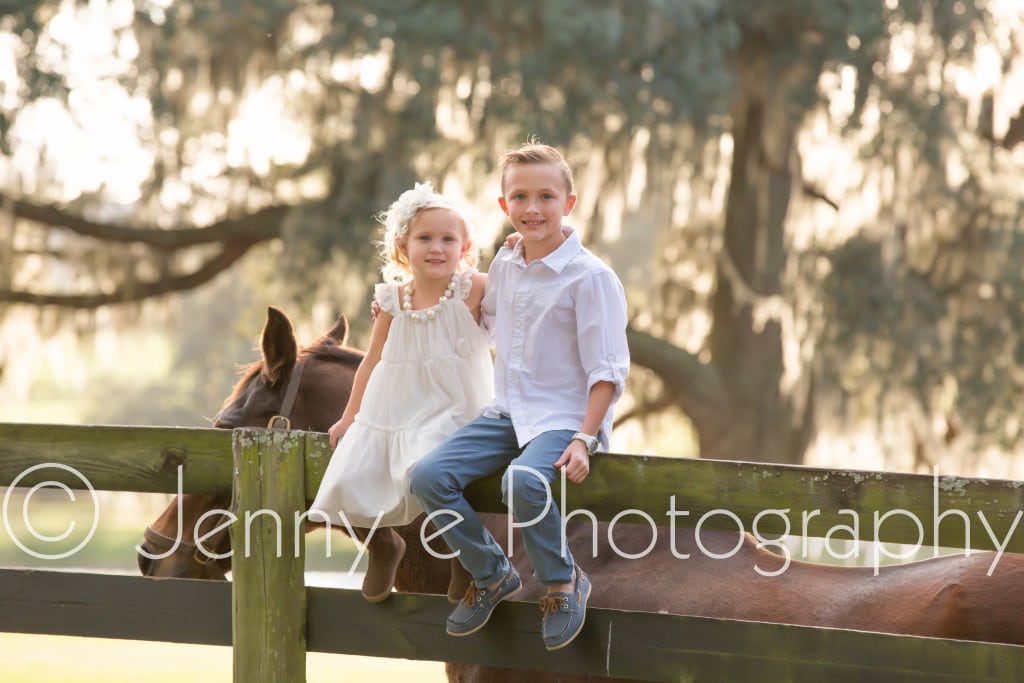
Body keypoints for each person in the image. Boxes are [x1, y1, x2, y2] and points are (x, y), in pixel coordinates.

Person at [409, 142, 630, 651]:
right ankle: (492, 574)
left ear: (568, 203)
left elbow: (608, 371)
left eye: (546, 197)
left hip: (565, 418)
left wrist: (584, 437)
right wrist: (401, 307)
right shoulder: (506, 264)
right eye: (520, 197)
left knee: (524, 481)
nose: (533, 209)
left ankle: (562, 584)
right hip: (508, 412)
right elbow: (483, 318)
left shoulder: (591, 278)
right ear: (504, 204)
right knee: (427, 476)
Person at [311, 182, 494, 603]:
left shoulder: (474, 289)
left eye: (448, 239)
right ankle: (382, 545)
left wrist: (520, 246)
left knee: (427, 468)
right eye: (424, 238)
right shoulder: (392, 301)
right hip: (395, 405)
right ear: (402, 248)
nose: (437, 247)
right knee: (351, 469)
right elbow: (371, 362)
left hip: (453, 407)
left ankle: (459, 557)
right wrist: (349, 416)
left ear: (464, 248)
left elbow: (524, 290)